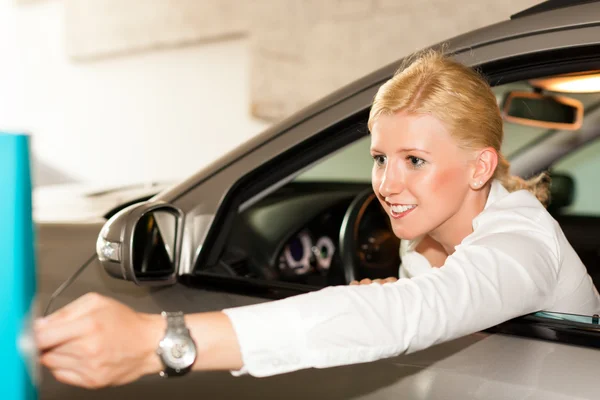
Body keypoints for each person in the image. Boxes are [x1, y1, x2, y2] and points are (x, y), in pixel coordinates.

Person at [34, 50, 600, 389]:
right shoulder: (429, 231)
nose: (387, 185)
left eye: (415, 162)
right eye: (381, 158)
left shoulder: (520, 243)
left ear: (479, 167)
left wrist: (161, 338)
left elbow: (406, 315)